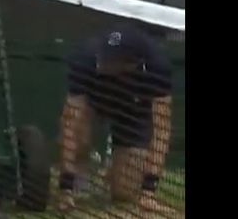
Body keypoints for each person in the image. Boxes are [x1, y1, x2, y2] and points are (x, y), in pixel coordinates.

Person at [58, 23, 175, 215]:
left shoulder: (158, 66)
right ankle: (82, 170)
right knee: (79, 138)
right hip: (95, 101)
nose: (102, 62)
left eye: (111, 61)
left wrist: (148, 191)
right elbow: (69, 123)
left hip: (134, 111)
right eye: (104, 56)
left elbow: (162, 129)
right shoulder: (86, 58)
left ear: (132, 63)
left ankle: (113, 169)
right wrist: (65, 189)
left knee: (124, 192)